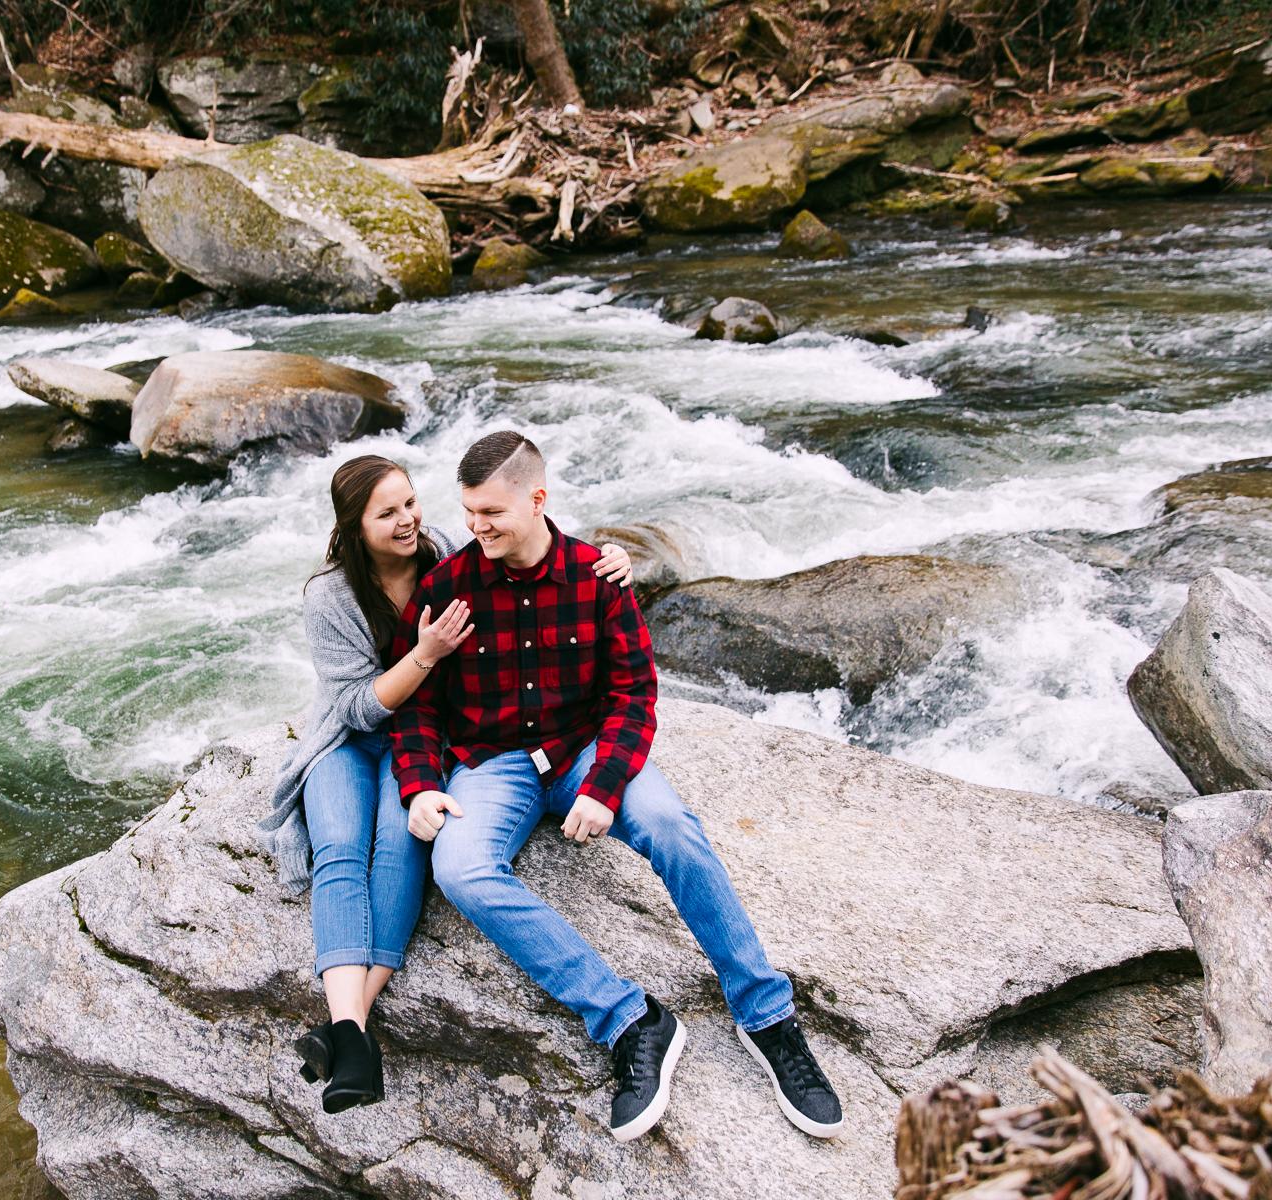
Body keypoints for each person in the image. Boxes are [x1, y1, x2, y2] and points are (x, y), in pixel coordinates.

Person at [389, 431, 844, 1143]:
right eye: (468, 512)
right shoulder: (448, 585)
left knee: (670, 826)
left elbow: (635, 692)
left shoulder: (598, 578)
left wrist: (603, 787)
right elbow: (415, 702)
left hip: (583, 750)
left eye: (491, 514)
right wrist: (419, 785)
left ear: (537, 500)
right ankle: (632, 1020)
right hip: (494, 764)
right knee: (460, 868)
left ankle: (767, 1017)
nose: (475, 529)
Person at [257, 454, 633, 1115]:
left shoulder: (450, 554)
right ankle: (353, 1035)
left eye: (409, 503)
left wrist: (612, 559)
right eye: (386, 513)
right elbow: (356, 709)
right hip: (352, 739)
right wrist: (425, 654)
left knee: (404, 848)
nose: (407, 521)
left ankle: (346, 1032)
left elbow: (529, 539)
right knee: (341, 851)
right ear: (353, 525)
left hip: (426, 740)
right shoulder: (332, 595)